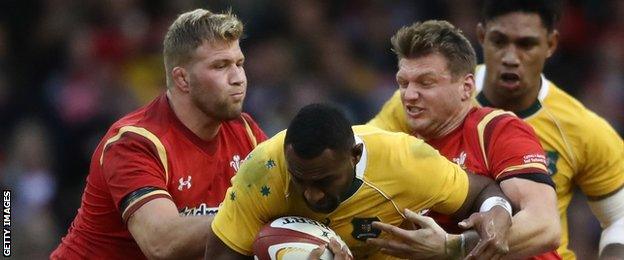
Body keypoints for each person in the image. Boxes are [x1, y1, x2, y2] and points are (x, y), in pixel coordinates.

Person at [369, 0, 624, 259]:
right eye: (499, 41)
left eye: (526, 44)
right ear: (481, 37)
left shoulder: (579, 128)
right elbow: (359, 160)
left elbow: (614, 219)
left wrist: (452, 247)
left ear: (551, 44)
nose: (511, 58)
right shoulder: (414, 103)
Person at [51, 9, 267, 259]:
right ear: (183, 79)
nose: (238, 78)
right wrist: (258, 220)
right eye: (221, 66)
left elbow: (287, 195)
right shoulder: (135, 143)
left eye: (239, 63)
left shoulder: (246, 132)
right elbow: (162, 243)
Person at [205, 103, 515, 259]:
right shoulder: (263, 170)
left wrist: (498, 210)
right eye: (299, 179)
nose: (311, 195)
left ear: (355, 155)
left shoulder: (406, 161)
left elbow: (483, 191)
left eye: (324, 180)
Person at [367, 20, 561, 259]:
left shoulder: (496, 131)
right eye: (403, 83)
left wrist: (454, 247)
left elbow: (545, 227)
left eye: (425, 83)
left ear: (466, 87)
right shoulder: (400, 150)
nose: (408, 95)